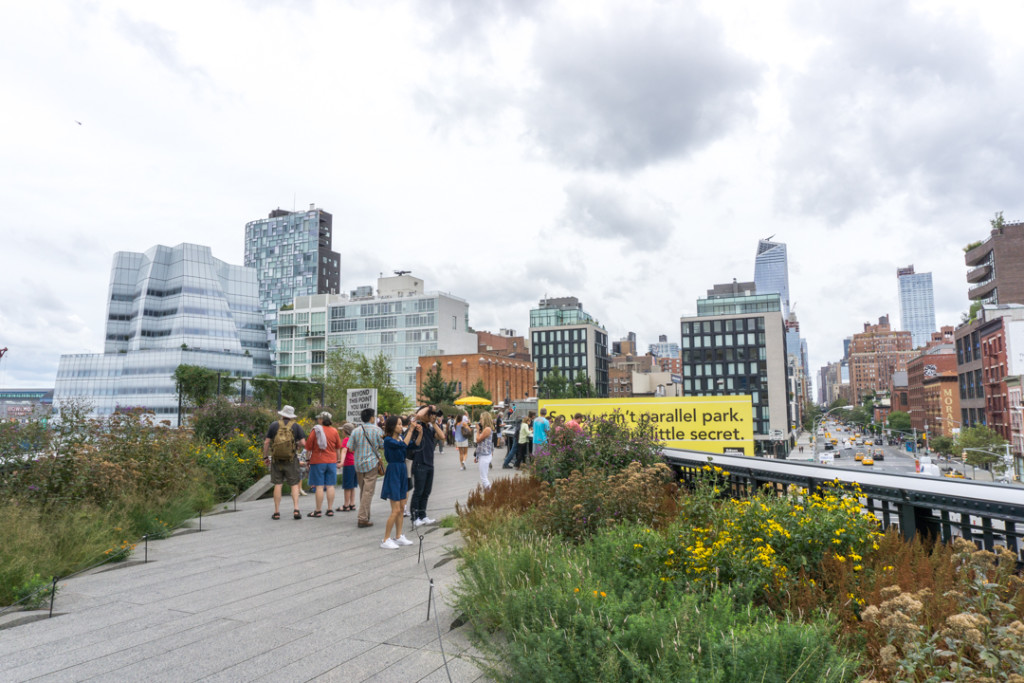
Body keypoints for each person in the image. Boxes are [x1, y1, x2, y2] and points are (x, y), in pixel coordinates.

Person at [379, 414, 421, 549]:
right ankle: (385, 539)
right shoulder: (388, 440)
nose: (400, 426)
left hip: (402, 469)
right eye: (397, 424)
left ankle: (398, 536)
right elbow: (403, 445)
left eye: (400, 423)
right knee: (396, 509)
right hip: (394, 470)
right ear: (392, 426)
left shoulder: (401, 438)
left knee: (402, 507)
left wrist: (419, 433)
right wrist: (410, 430)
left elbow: (414, 445)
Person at [263, 405, 306, 520]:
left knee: (278, 484)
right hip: (291, 460)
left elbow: (267, 442)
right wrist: (296, 445)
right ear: (291, 416)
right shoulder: (296, 426)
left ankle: (276, 512)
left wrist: (265, 457)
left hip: (277, 460)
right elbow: (304, 443)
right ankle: (296, 509)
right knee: (294, 484)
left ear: (282, 414)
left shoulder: (274, 425)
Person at [410, 404, 445, 528]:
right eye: (430, 414)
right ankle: (414, 517)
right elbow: (418, 415)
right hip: (420, 462)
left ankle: (423, 515)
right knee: (418, 491)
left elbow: (442, 437)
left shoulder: (430, 428)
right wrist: (430, 408)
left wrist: (434, 423)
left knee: (426, 491)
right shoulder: (417, 426)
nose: (432, 415)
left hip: (430, 462)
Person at [349, 407, 384, 528]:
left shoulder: (356, 431)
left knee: (364, 490)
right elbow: (382, 445)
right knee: (368, 492)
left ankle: (366, 515)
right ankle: (363, 518)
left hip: (358, 464)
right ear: (371, 418)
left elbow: (350, 448)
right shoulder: (377, 430)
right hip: (371, 463)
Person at [304, 411, 342, 517]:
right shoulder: (334, 431)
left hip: (318, 461)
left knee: (319, 486)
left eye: (318, 418)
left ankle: (318, 510)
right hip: (331, 461)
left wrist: (307, 460)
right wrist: (338, 460)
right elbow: (338, 448)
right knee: (330, 486)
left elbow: (308, 448)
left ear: (321, 420)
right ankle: (330, 509)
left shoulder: (316, 431)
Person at [335, 423, 356, 512]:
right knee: (353, 485)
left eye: (343, 430)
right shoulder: (355, 439)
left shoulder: (346, 440)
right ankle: (352, 503)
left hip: (348, 464)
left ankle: (346, 505)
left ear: (345, 431)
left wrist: (341, 462)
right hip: (355, 464)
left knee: (347, 486)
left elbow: (344, 451)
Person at [474, 412, 494, 489]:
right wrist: (477, 456)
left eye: (481, 418)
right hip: (484, 455)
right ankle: (488, 492)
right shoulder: (487, 429)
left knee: (483, 478)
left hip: (485, 455)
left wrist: (478, 430)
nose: (480, 420)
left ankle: (490, 492)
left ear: (485, 419)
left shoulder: (487, 429)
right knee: (484, 476)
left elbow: (478, 440)